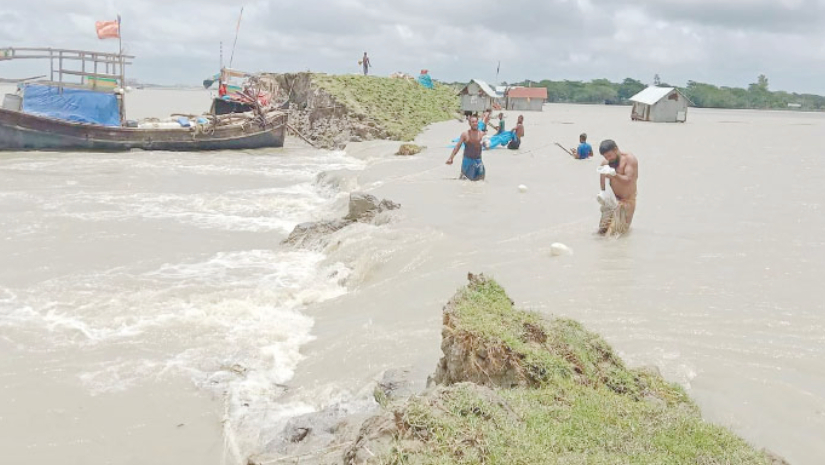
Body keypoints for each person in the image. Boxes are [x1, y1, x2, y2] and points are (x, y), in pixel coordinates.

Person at [598, 139, 638, 235]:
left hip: (627, 201)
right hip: (612, 201)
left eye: (609, 155)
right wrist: (602, 193)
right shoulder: (606, 162)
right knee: (601, 232)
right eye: (605, 157)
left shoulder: (629, 159)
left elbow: (629, 180)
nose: (608, 159)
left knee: (613, 235)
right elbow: (602, 177)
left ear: (616, 149)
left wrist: (614, 175)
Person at [446, 116, 485, 181]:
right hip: (468, 161)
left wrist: (485, 144)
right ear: (469, 124)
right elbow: (457, 146)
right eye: (473, 122)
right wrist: (451, 158)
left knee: (481, 180)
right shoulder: (465, 134)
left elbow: (485, 145)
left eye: (476, 122)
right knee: (465, 180)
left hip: (479, 161)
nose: (475, 123)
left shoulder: (482, 134)